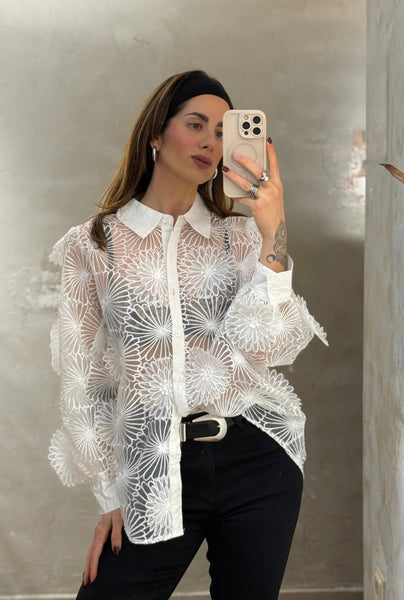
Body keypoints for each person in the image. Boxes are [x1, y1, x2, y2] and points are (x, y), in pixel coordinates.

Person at [49, 70, 327, 600]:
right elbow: (84, 381)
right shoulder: (94, 244)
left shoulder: (239, 236)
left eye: (222, 132)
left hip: (256, 460)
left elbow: (265, 346)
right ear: (156, 133)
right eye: (195, 125)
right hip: (155, 463)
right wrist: (111, 495)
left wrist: (274, 229)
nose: (209, 142)